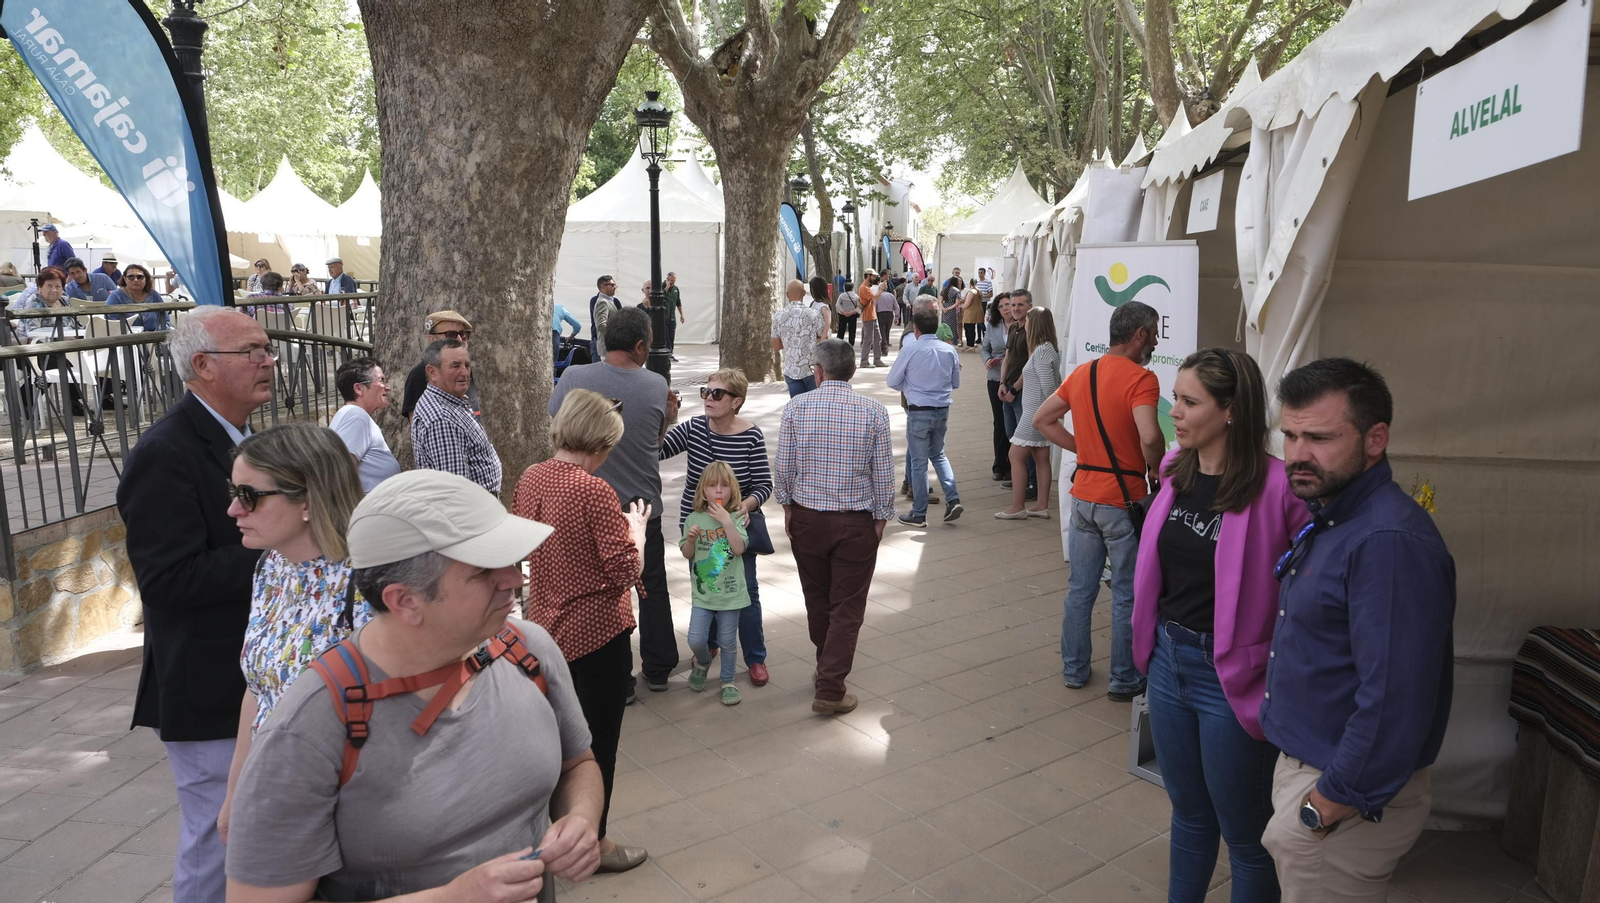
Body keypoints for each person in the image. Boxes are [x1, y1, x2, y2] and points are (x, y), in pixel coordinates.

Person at [223, 469, 605, 902]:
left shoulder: (526, 650)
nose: (514, 580)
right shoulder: (308, 729)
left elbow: (579, 765)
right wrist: (452, 898)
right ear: (404, 601)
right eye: (485, 571)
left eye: (512, 562)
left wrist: (582, 820)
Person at [1259, 359, 1455, 902]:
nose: (1297, 453)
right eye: (1290, 434)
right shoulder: (1336, 516)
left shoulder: (1386, 542)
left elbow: (1394, 701)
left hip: (1342, 796)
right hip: (1317, 775)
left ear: (1376, 439)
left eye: (1320, 437)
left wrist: (1325, 806)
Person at [1132, 348, 1309, 903]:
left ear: (1232, 410)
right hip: (1167, 662)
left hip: (1232, 677)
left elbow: (1309, 594)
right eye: (1175, 398)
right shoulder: (1173, 472)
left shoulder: (1280, 489)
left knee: (1246, 835)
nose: (1174, 412)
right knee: (1188, 814)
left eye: (1188, 402)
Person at [116, 307, 276, 903]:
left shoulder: (244, 439)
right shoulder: (166, 451)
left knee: (251, 843)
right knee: (217, 848)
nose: (269, 360)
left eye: (268, 348)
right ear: (203, 366)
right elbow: (167, 580)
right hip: (207, 687)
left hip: (248, 680)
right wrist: (277, 547)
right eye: (253, 350)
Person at [513, 389, 652, 874]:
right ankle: (594, 841)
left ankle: (551, 832)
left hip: (545, 629)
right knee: (594, 750)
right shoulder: (593, 489)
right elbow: (622, 570)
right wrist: (635, 532)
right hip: (596, 636)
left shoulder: (532, 477)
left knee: (556, 743)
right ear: (598, 441)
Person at [216, 422, 369, 846]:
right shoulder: (272, 566)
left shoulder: (369, 582)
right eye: (234, 493)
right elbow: (258, 689)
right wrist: (235, 795)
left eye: (249, 496)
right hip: (273, 793)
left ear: (307, 497)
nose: (234, 510)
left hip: (339, 810)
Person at [1031, 301, 1165, 701]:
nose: (1155, 341)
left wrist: (1084, 449)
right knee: (1125, 592)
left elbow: (1042, 420)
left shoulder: (1082, 373)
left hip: (1084, 496)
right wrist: (1155, 467)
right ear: (1139, 334)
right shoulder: (1143, 378)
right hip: (1124, 500)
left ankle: (1074, 670)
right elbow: (1150, 436)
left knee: (1080, 590)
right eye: (1154, 333)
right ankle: (1123, 679)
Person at [550, 307, 681, 697]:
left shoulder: (574, 377)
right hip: (642, 508)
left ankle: (617, 679)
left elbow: (561, 429)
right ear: (641, 346)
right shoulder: (656, 384)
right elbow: (652, 446)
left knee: (602, 596)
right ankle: (658, 667)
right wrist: (669, 419)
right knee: (651, 587)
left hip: (586, 505)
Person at [774, 339, 894, 715]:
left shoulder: (796, 407)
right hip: (855, 521)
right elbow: (884, 473)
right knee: (848, 605)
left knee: (817, 597)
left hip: (809, 517)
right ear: (852, 371)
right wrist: (881, 516)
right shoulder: (874, 411)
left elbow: (784, 466)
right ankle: (829, 683)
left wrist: (787, 505)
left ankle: (825, 669)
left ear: (818, 371)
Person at [660, 368, 773, 687]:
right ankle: (709, 644)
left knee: (746, 590)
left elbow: (764, 484)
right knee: (707, 584)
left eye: (717, 394)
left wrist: (745, 506)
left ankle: (755, 657)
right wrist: (667, 420)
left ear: (736, 401)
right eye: (706, 392)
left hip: (735, 529)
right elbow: (657, 452)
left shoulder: (751, 435)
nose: (708, 398)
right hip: (699, 528)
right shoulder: (694, 427)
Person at [887, 304, 963, 527]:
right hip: (942, 410)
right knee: (939, 454)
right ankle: (953, 499)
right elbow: (955, 383)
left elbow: (892, 381)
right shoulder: (949, 350)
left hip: (919, 411)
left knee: (919, 463)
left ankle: (919, 513)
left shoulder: (910, 350)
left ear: (916, 329)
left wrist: (910, 386)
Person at [681, 462, 750, 705]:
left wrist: (727, 522)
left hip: (731, 593)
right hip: (704, 594)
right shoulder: (693, 518)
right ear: (703, 491)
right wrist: (690, 540)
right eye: (712, 485)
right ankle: (703, 661)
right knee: (696, 639)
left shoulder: (736, 517)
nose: (718, 490)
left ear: (733, 489)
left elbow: (739, 548)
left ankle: (728, 680)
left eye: (724, 485)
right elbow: (687, 554)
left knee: (728, 641)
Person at [411, 339, 502, 494]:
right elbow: (455, 492)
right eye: (455, 366)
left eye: (466, 365)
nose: (465, 372)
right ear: (432, 372)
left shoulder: (450, 401)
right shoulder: (441, 420)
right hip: (471, 513)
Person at [997, 307, 1060, 520]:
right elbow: (1056, 384)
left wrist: (1047, 415)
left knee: (1015, 455)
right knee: (1041, 456)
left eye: (1029, 321)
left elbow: (1049, 388)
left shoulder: (1041, 351)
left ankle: (1018, 506)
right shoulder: (1048, 349)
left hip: (1035, 413)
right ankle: (1041, 505)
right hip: (1039, 413)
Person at [329, 357, 401, 491]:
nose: (388, 388)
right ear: (359, 389)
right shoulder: (356, 416)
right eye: (381, 381)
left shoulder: (354, 416)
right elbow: (339, 474)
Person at [399, 309, 481, 422]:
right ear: (432, 339)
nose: (459, 339)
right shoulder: (418, 375)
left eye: (463, 335)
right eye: (451, 335)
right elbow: (419, 425)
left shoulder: (465, 370)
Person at [998, 290, 1037, 501]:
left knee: (1026, 441)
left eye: (1020, 305)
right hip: (1008, 389)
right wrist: (1003, 383)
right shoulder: (1013, 327)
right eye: (1013, 305)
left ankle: (1032, 482)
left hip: (1023, 392)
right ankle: (1018, 476)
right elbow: (1008, 356)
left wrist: (1015, 389)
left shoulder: (1032, 330)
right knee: (1013, 437)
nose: (1015, 309)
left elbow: (1031, 365)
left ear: (1030, 305)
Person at [771, 277, 828, 396]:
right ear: (804, 293)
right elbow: (824, 337)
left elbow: (776, 346)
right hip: (812, 368)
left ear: (787, 294)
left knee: (797, 406)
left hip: (791, 368)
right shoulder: (813, 314)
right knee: (814, 404)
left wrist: (788, 342)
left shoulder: (778, 316)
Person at [981, 293, 1013, 483]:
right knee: (999, 422)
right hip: (994, 377)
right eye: (1001, 306)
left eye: (1008, 304)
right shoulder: (993, 326)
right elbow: (985, 348)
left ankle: (1013, 465)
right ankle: (999, 465)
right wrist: (987, 360)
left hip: (1014, 379)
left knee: (1013, 423)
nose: (1006, 309)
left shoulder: (1023, 326)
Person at [106, 263, 169, 331]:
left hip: (154, 339)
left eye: (140, 277)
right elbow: (111, 324)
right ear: (124, 279)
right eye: (131, 277)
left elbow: (166, 321)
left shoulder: (154, 295)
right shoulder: (116, 297)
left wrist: (155, 334)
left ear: (146, 279)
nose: (135, 280)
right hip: (126, 339)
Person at [858, 273, 884, 368]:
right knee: (868, 339)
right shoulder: (864, 288)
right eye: (873, 276)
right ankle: (864, 361)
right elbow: (875, 298)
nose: (874, 278)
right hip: (868, 316)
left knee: (877, 338)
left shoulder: (867, 287)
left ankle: (877, 359)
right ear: (868, 276)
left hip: (873, 315)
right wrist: (881, 289)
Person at [589, 274, 621, 349]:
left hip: (610, 345)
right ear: (603, 286)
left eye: (615, 285)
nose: (615, 287)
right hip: (606, 345)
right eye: (612, 285)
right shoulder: (602, 302)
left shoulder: (613, 301)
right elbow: (601, 325)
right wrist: (618, 331)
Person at [873, 271, 900, 358]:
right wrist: (897, 316)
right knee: (887, 331)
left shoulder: (878, 296)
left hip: (880, 314)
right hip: (889, 314)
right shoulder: (891, 296)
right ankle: (886, 346)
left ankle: (884, 348)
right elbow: (896, 306)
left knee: (882, 331)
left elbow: (875, 306)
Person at [959, 274, 985, 348]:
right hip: (978, 310)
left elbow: (967, 303)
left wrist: (961, 307)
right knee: (972, 328)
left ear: (970, 283)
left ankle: (970, 345)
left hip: (970, 312)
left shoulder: (972, 292)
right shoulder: (979, 291)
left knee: (968, 328)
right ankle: (971, 344)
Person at [553, 299, 583, 364]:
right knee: (553, 364)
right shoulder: (559, 308)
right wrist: (570, 337)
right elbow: (577, 325)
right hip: (554, 333)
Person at [939, 272, 965, 345]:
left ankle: (943, 340)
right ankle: (953, 341)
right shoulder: (956, 291)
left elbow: (940, 301)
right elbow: (957, 303)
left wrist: (944, 308)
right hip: (952, 310)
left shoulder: (944, 289)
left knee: (944, 325)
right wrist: (949, 308)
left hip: (944, 308)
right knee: (952, 327)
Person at [664, 271, 685, 361]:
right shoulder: (661, 287)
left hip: (672, 316)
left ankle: (670, 353)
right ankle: (665, 353)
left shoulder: (676, 289)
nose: (673, 282)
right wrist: (666, 288)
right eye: (671, 280)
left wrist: (681, 315)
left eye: (674, 280)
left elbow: (678, 302)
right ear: (667, 279)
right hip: (664, 317)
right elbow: (658, 297)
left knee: (671, 336)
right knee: (665, 336)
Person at [833, 279, 859, 345]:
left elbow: (837, 305)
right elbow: (859, 306)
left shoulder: (842, 295)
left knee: (841, 330)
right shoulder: (856, 296)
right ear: (852, 288)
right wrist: (852, 312)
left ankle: (838, 344)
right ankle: (851, 344)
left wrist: (843, 312)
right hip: (853, 315)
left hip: (843, 315)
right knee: (852, 331)